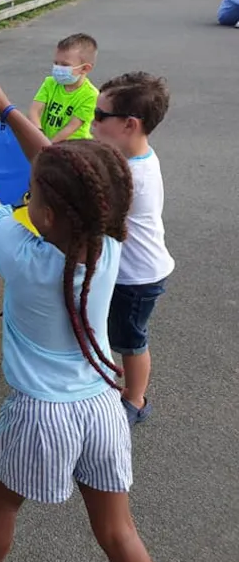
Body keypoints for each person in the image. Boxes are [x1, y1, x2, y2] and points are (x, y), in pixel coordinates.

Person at [0, 84, 158, 562]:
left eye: (33, 192)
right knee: (117, 531)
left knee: (2, 506)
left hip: (39, 415)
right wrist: (7, 110)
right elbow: (62, 168)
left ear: (43, 214)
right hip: (104, 409)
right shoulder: (106, 242)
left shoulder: (22, 253)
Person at [91, 73, 174, 426]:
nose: (92, 122)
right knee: (108, 330)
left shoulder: (131, 177)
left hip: (136, 278)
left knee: (130, 339)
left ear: (129, 124)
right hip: (124, 271)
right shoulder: (130, 157)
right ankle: (109, 385)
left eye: (99, 116)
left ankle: (135, 400)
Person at [28, 33, 99, 142]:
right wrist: (39, 133)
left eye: (65, 65)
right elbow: (34, 110)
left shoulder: (91, 95)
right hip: (44, 140)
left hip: (73, 146)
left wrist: (48, 145)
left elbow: (71, 127)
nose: (58, 68)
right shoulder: (50, 83)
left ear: (85, 69)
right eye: (56, 63)